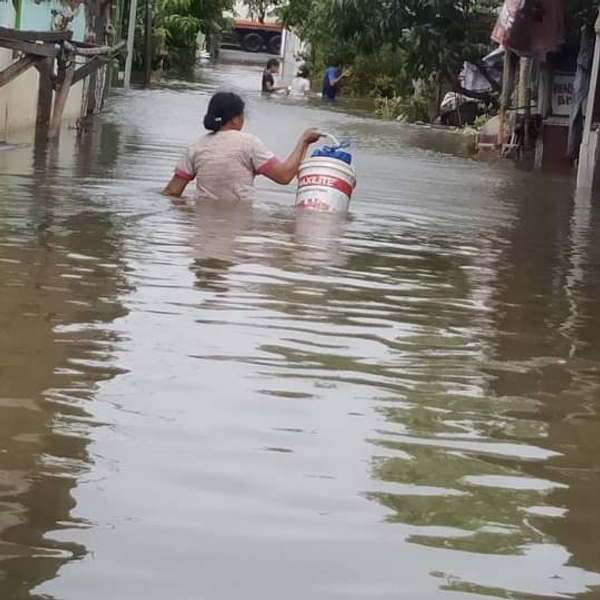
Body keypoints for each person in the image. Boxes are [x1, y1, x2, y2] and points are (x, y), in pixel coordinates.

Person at [162, 92, 322, 202]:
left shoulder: (195, 147)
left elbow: (172, 192)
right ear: (235, 119)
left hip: (202, 227)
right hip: (239, 227)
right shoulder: (249, 144)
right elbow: (284, 176)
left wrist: (187, 214)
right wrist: (304, 142)